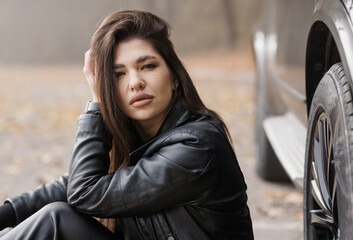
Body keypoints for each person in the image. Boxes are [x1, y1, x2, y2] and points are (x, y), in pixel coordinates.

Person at [0, 10, 253, 239]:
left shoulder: (198, 146)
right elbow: (71, 185)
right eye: (118, 74)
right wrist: (6, 213)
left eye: (148, 66)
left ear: (175, 78)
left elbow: (85, 192)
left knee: (56, 221)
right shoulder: (137, 140)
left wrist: (98, 103)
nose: (135, 82)